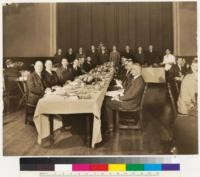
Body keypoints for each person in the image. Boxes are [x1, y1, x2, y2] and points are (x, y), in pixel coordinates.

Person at [103, 63, 145, 133]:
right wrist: (120, 93)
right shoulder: (136, 79)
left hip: (130, 104)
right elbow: (129, 91)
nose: (131, 71)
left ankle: (110, 127)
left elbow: (132, 95)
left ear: (138, 71)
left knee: (107, 103)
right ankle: (109, 122)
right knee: (108, 98)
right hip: (129, 101)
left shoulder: (139, 81)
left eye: (132, 70)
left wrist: (119, 98)